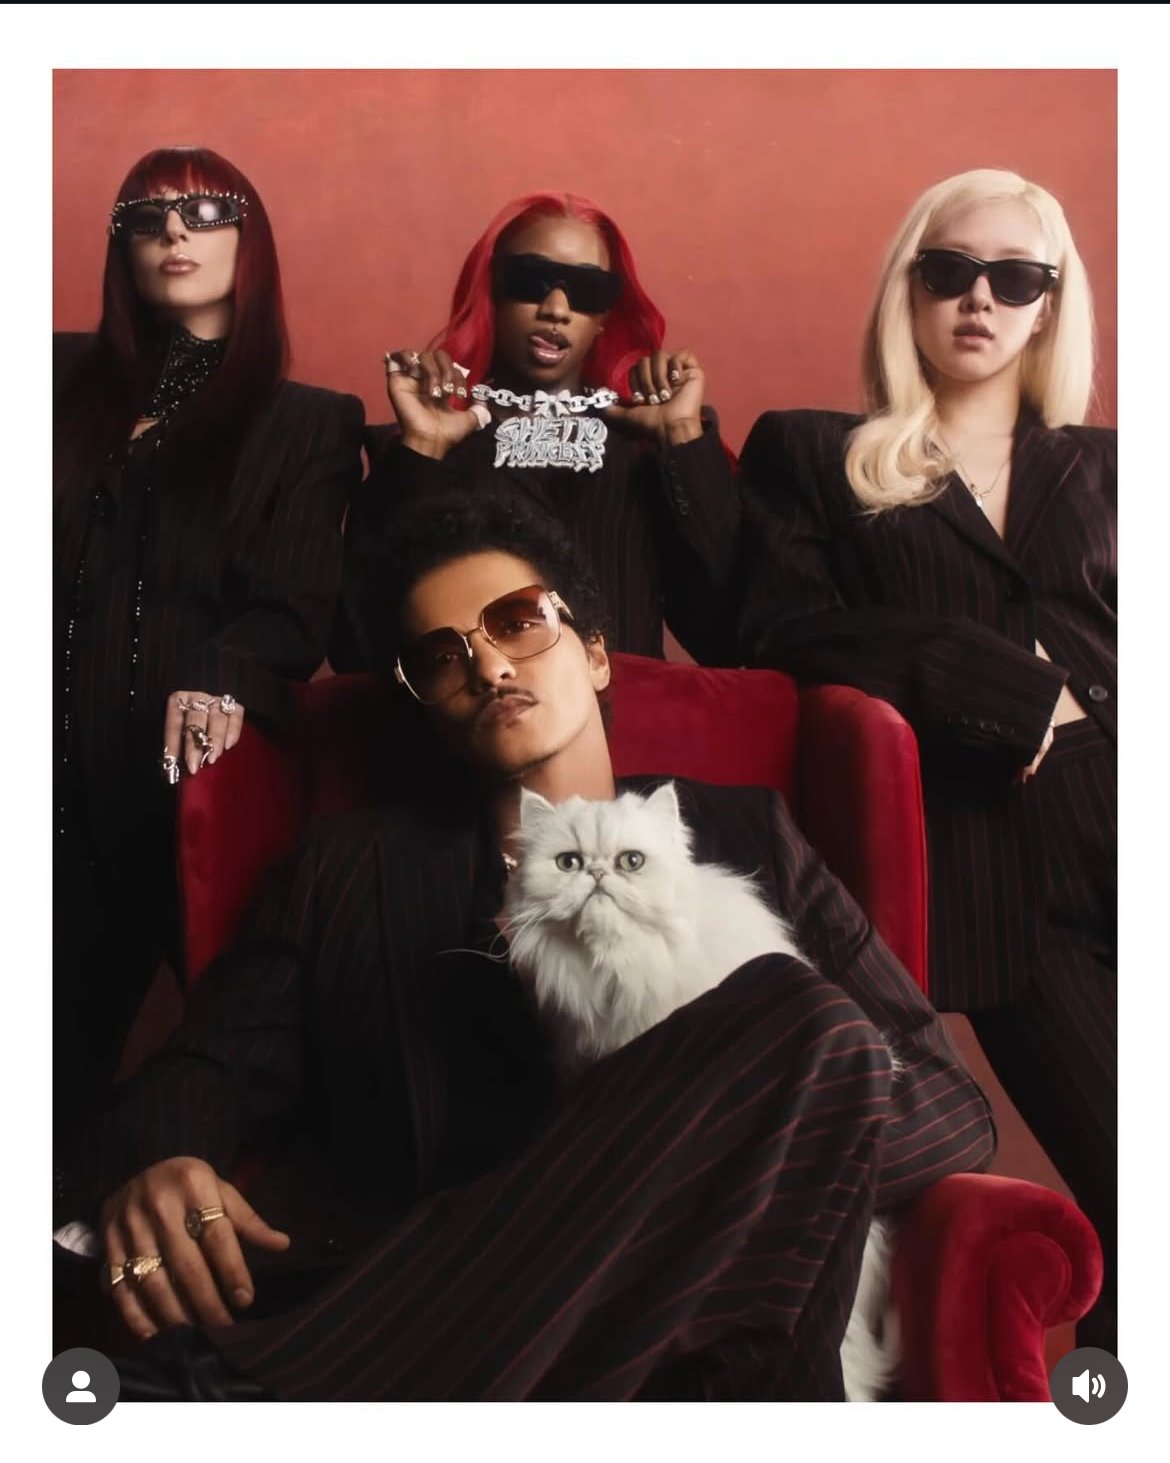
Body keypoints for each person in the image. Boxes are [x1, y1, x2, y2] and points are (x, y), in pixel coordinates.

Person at [55, 493, 996, 1401]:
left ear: (595, 654)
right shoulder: (345, 867)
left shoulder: (752, 834)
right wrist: (157, 1157)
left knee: (797, 1015)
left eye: (517, 621)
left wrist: (744, 1130)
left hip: (691, 1339)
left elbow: (948, 1102)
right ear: (428, 704)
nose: (489, 665)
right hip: (431, 1301)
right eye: (443, 656)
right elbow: (205, 1066)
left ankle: (255, 1394)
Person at [735, 169, 1115, 1350]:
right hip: (1013, 876)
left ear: (1050, 305)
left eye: (1016, 277)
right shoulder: (816, 453)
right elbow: (779, 632)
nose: (980, 299)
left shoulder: (1117, 468)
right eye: (949, 271)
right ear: (908, 289)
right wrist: (989, 683)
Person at [53, 146, 365, 1127]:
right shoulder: (49, 376)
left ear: (250, 240)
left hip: (162, 775)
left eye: (205, 212)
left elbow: (293, 605)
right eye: (146, 219)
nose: (175, 232)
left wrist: (222, 671)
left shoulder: (306, 424)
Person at [331, 191, 741, 671]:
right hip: (480, 708)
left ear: (606, 315)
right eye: (531, 279)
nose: (556, 308)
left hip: (631, 714)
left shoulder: (649, 450)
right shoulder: (422, 448)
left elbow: (725, 636)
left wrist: (682, 436)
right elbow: (355, 644)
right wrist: (423, 447)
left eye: (586, 290)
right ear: (491, 291)